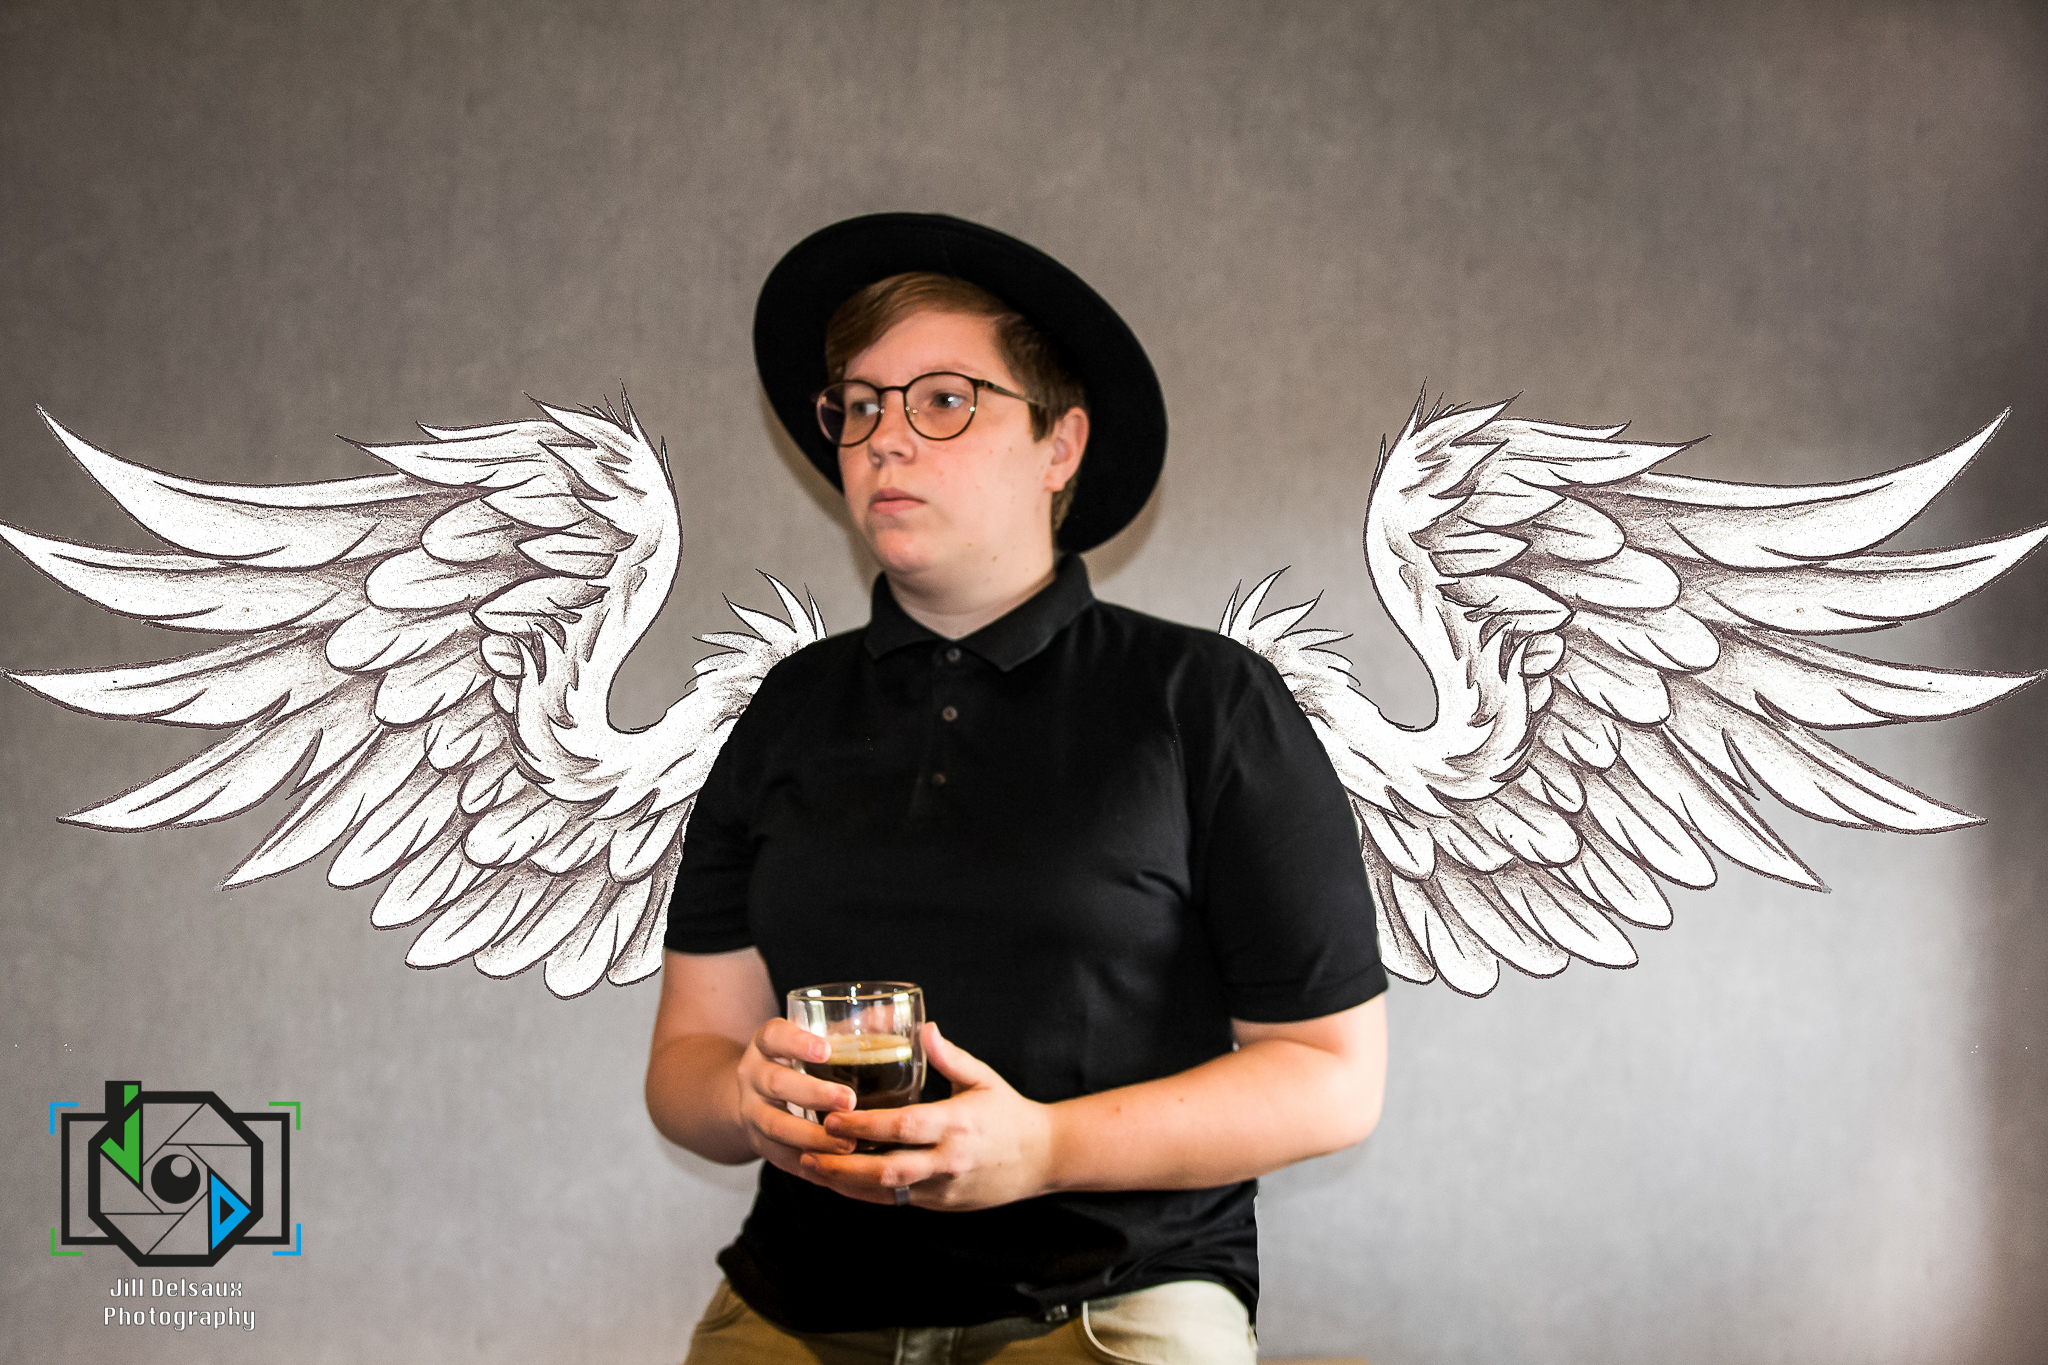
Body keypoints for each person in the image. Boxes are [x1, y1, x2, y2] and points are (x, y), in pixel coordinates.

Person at [645, 213, 1389, 1365]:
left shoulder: (1201, 700)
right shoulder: (786, 708)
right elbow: (688, 1062)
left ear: (1060, 444)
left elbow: (1330, 1078)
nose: (885, 441)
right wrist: (744, 1097)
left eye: (943, 401)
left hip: (1109, 1304)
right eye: (859, 406)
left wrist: (1043, 1148)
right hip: (796, 1307)